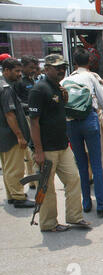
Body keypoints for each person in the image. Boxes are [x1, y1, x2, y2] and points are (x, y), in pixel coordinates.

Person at [28, 54, 91, 232]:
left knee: (73, 180)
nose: (61, 70)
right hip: (46, 149)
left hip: (63, 147)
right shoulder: (39, 90)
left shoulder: (58, 88)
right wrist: (38, 151)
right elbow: (33, 122)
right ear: (46, 69)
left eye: (63, 67)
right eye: (56, 68)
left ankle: (74, 217)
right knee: (47, 189)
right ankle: (49, 224)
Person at [61, 47, 103, 218]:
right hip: (89, 121)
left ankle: (86, 203)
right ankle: (101, 204)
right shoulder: (91, 77)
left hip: (71, 124)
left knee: (81, 165)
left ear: (75, 63)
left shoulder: (65, 80)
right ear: (89, 62)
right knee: (96, 165)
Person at [0, 58, 35, 209]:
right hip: (10, 135)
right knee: (15, 168)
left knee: (8, 167)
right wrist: (20, 136)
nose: (19, 74)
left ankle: (12, 195)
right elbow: (10, 115)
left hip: (3, 134)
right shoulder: (6, 88)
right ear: (6, 71)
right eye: (16, 71)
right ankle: (19, 197)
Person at [14, 55, 39, 190]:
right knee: (30, 150)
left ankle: (35, 176)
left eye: (34, 68)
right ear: (22, 67)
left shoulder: (32, 80)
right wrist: (30, 106)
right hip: (27, 118)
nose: (33, 70)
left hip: (35, 117)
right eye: (30, 68)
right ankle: (32, 180)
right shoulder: (19, 83)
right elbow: (17, 103)